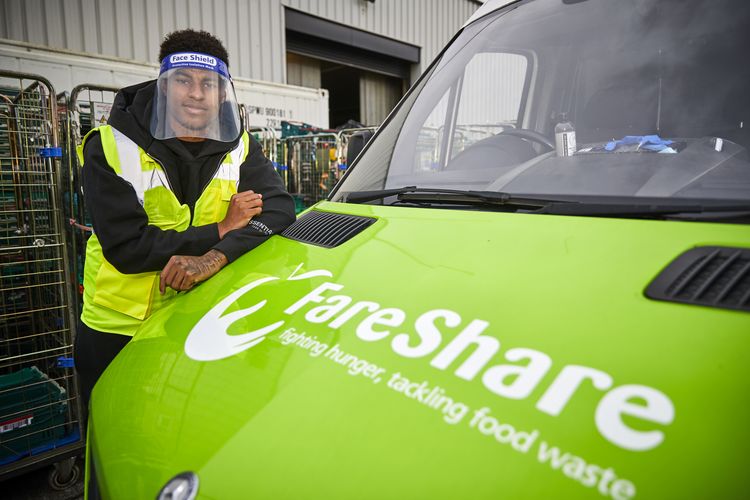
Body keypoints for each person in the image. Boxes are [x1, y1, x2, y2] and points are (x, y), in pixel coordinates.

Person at [73, 29, 296, 411]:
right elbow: (127, 248)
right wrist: (221, 229)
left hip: (194, 317)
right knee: (110, 422)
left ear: (222, 93)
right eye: (183, 80)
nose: (196, 93)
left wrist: (215, 256)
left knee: (178, 418)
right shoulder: (110, 145)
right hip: (118, 326)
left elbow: (279, 209)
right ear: (163, 87)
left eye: (208, 83)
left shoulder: (238, 145)